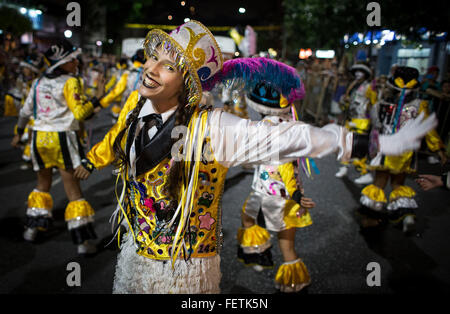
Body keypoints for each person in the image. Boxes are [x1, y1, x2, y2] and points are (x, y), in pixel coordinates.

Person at [73, 20, 437, 294]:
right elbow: (117, 145)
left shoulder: (214, 128)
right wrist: (91, 160)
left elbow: (293, 136)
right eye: (153, 58)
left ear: (189, 81)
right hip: (135, 256)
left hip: (180, 272)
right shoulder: (136, 109)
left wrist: (374, 144)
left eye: (167, 65)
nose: (150, 68)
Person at [11, 40, 104, 254]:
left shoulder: (38, 82)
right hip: (62, 138)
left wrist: (18, 133)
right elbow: (81, 113)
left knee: (42, 184)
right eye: (72, 60)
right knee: (73, 190)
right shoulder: (71, 81)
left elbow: (25, 112)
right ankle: (82, 242)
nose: (77, 63)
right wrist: (97, 99)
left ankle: (32, 230)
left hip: (39, 139)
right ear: (61, 64)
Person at [236, 82, 315, 293]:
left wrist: (295, 193)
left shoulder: (269, 128)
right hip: (274, 192)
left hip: (275, 195)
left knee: (282, 243)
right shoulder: (287, 122)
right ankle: (266, 259)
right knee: (251, 219)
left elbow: (285, 165)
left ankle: (289, 279)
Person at [360, 66, 444, 233]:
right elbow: (428, 129)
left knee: (379, 183)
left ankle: (370, 218)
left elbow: (374, 125)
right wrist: (438, 148)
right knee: (398, 183)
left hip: (385, 150)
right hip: (405, 152)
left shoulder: (381, 103)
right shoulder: (420, 105)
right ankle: (406, 215)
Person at [335, 62, 375, 185]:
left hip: (361, 122)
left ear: (366, 74)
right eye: (356, 71)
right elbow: (348, 104)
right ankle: (344, 167)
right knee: (345, 145)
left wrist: (373, 121)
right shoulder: (352, 86)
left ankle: (365, 173)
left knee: (358, 148)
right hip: (350, 120)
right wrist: (344, 101)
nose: (358, 73)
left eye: (361, 71)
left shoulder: (369, 87)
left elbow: (374, 105)